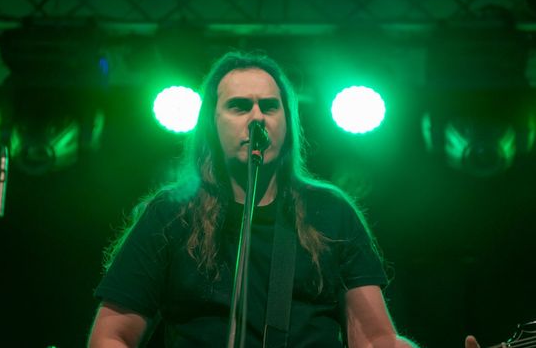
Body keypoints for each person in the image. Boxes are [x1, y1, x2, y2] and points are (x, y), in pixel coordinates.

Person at [88, 51, 478, 347]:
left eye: (270, 106)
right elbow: (110, 336)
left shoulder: (329, 211)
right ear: (211, 123)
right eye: (239, 106)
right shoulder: (172, 214)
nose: (257, 117)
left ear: (287, 122)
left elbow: (376, 340)